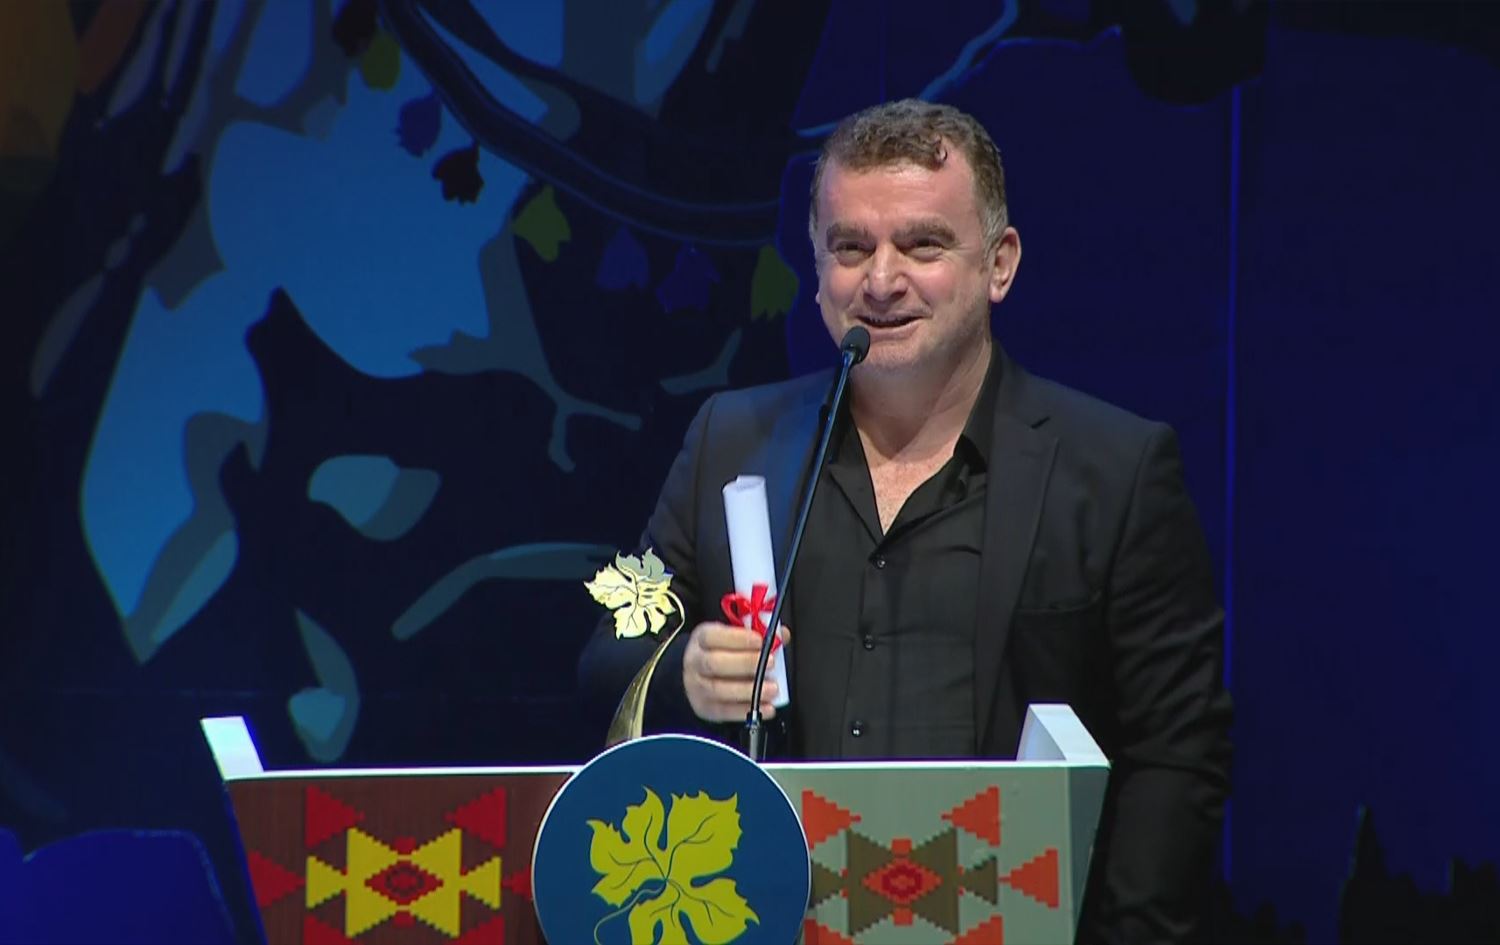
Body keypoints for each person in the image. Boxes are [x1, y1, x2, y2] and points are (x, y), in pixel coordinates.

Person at [579, 98, 1232, 943]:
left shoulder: (1115, 469)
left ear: (999, 264)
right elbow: (608, 651)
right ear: (817, 268)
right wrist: (683, 673)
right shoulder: (729, 442)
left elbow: (1177, 754)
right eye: (850, 248)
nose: (881, 282)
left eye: (922, 245)